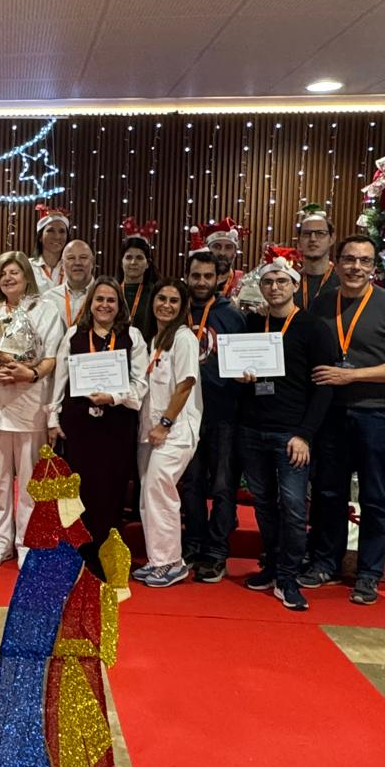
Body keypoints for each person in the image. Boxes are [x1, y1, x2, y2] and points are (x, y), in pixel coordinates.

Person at [0, 447, 130, 767]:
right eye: (71, 498)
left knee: (46, 732)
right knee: (58, 735)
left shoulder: (45, 557)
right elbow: (81, 609)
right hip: (61, 668)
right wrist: (114, 584)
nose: (78, 507)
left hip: (53, 664)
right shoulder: (59, 560)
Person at [303, 235, 385, 604]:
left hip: (379, 415)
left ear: (374, 267)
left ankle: (369, 573)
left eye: (364, 261)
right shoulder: (323, 303)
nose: (356, 267)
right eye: (349, 260)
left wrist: (352, 375)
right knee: (328, 492)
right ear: (336, 264)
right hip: (332, 415)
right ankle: (326, 562)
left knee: (374, 496)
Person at [231, 257, 338, 612]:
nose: (274, 287)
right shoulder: (251, 323)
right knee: (263, 503)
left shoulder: (313, 327)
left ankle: (289, 576)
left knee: (293, 507)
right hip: (252, 430)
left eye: (281, 281)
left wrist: (305, 435)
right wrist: (240, 376)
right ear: (260, 287)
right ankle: (272, 565)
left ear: (294, 285)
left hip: (291, 434)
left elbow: (324, 388)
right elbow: (237, 369)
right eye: (268, 282)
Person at [0, 251, 64, 567]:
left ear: (27, 275)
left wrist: (31, 371)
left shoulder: (46, 310)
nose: (9, 278)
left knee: (28, 480)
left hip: (30, 402)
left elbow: (53, 356)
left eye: (15, 272)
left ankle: (27, 542)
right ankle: (0, 542)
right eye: (3, 273)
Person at [50, 277, 146, 556]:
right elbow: (60, 380)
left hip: (117, 425)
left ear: (120, 305)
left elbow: (140, 384)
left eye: (111, 300)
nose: (104, 305)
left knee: (113, 490)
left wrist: (113, 397)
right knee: (82, 489)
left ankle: (110, 555)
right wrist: (52, 418)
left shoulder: (132, 336)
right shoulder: (73, 335)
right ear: (90, 303)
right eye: (99, 299)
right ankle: (83, 554)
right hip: (80, 424)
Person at [177, 249, 246, 582]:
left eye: (207, 276)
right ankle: (192, 543)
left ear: (219, 278)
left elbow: (247, 358)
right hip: (185, 412)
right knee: (190, 484)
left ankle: (216, 551)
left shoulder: (232, 315)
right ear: (187, 277)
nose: (201, 282)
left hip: (222, 413)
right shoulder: (177, 310)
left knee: (221, 485)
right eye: (195, 276)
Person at [135, 279, 201, 587]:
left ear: (183, 307)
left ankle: (171, 562)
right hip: (151, 430)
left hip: (173, 431)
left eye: (174, 301)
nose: (166, 305)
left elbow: (185, 384)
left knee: (159, 491)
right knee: (149, 493)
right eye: (161, 298)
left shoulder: (184, 338)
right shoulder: (156, 338)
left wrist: (165, 424)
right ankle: (157, 558)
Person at [293, 202, 339, 309]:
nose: (313, 239)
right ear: (299, 242)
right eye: (307, 234)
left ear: (332, 239)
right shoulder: (289, 284)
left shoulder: (344, 283)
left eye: (320, 233)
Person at [191, 218, 248, 299]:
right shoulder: (195, 283)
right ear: (207, 249)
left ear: (235, 252)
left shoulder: (244, 283)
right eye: (216, 246)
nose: (222, 253)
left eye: (228, 247)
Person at [118, 233, 158, 340]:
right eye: (128, 257)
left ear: (148, 263)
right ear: (121, 262)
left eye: (139, 258)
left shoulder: (156, 293)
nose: (133, 262)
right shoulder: (111, 291)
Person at [52, 239, 95, 334]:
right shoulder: (49, 299)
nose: (77, 263)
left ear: (92, 262)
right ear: (62, 264)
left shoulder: (105, 297)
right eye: (71, 258)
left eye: (83, 257)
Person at [30, 205, 70, 287]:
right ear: (40, 237)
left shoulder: (72, 268)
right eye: (51, 231)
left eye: (62, 231)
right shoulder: (28, 266)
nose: (57, 236)